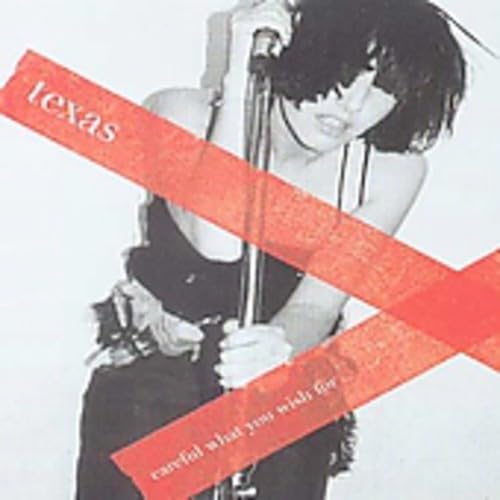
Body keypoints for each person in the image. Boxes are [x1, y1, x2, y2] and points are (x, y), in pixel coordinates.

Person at [76, 0, 473, 498]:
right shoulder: (182, 114)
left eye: (385, 88)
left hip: (281, 389)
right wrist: (242, 77)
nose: (353, 104)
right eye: (350, 69)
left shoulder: (390, 172)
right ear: (303, 50)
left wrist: (279, 347)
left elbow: (317, 306)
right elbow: (216, 241)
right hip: (153, 380)